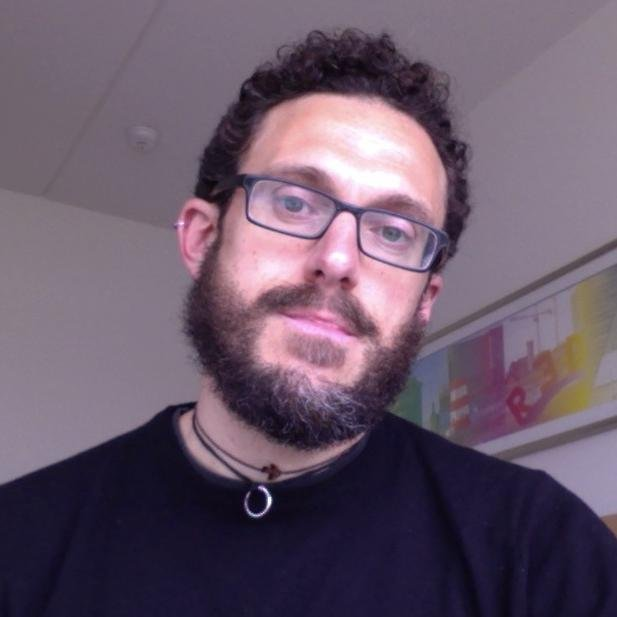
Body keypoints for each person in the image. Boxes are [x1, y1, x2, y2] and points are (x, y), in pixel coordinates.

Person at [1, 29, 616, 617]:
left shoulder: (542, 550)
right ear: (202, 238)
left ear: (425, 298)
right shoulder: (20, 543)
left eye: (393, 232)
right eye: (294, 202)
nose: (338, 259)